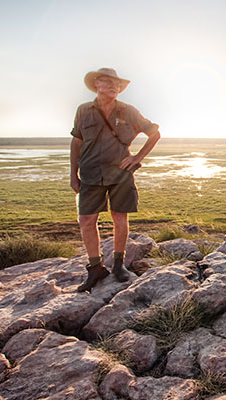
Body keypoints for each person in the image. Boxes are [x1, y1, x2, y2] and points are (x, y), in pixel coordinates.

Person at [70, 67, 161, 292]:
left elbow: (154, 133)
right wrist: (73, 173)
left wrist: (137, 157)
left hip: (120, 174)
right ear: (96, 84)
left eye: (117, 84)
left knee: (119, 218)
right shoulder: (84, 110)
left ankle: (119, 264)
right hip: (90, 173)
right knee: (86, 220)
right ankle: (95, 268)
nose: (114, 87)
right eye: (108, 82)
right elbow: (76, 142)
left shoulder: (128, 111)